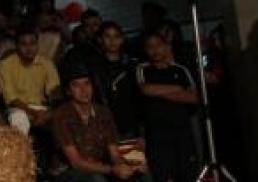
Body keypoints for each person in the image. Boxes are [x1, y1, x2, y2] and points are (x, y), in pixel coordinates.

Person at [52, 67, 149, 182]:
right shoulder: (62, 115)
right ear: (68, 91)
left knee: (142, 176)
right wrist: (112, 170)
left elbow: (114, 154)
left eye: (87, 83)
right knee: (97, 179)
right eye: (76, 85)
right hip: (69, 171)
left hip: (101, 166)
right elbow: (76, 163)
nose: (84, 90)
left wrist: (124, 167)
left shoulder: (103, 112)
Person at [136, 31, 199, 182]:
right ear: (145, 50)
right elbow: (146, 89)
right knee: (162, 175)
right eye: (150, 47)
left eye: (158, 45)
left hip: (182, 132)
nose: (155, 50)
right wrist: (178, 89)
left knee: (187, 174)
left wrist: (159, 91)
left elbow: (194, 97)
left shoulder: (180, 69)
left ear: (166, 47)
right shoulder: (142, 69)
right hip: (157, 135)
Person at [0, 26, 60, 135]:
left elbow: (54, 92)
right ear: (16, 46)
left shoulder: (46, 63)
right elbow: (11, 99)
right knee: (20, 120)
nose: (29, 48)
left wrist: (48, 113)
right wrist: (35, 113)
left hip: (41, 108)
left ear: (37, 45)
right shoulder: (6, 65)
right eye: (24, 44)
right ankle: (21, 151)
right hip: (18, 108)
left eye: (32, 43)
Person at [91, 22, 142, 140]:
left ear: (122, 39)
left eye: (116, 36)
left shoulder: (132, 66)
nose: (112, 41)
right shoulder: (94, 68)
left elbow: (138, 97)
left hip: (131, 122)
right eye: (107, 36)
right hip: (104, 123)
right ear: (100, 40)